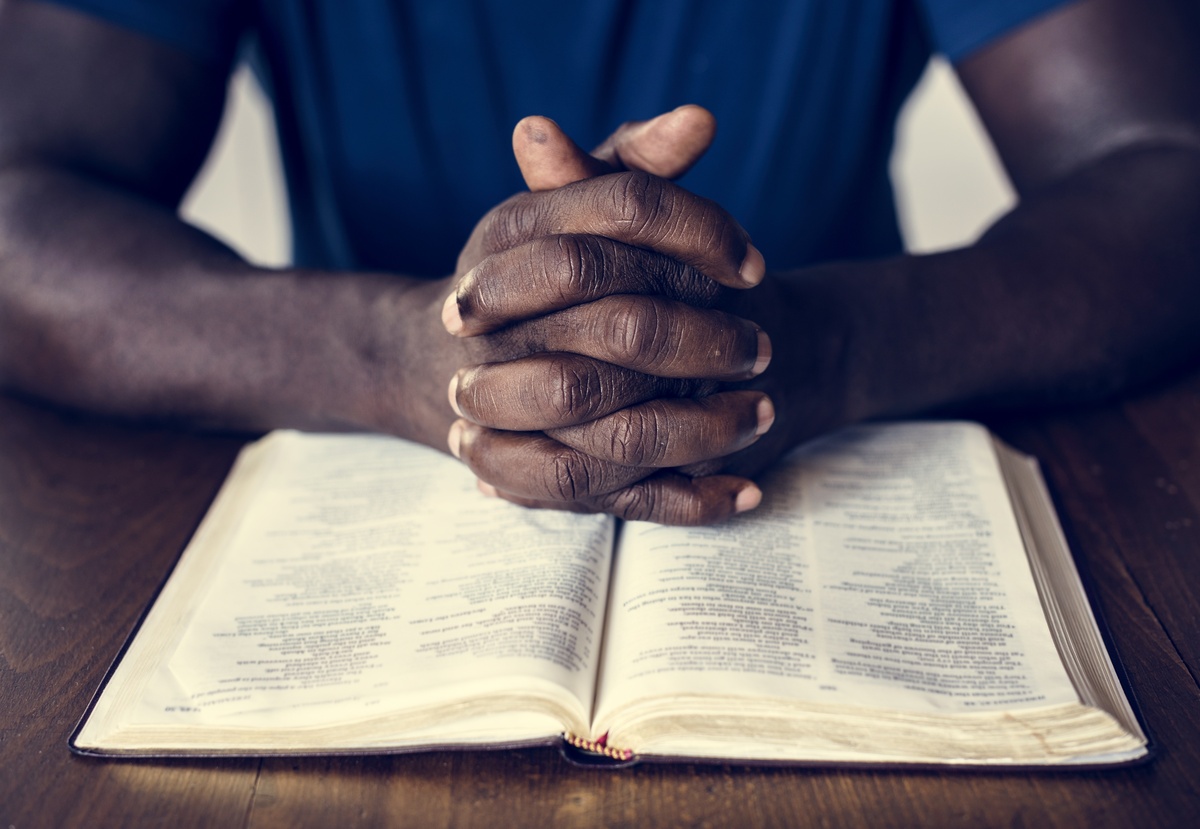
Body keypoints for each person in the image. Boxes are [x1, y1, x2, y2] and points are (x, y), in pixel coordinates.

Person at [0, 0, 1197, 525]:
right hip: (371, 502)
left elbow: (1168, 163)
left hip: (846, 471)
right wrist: (408, 352)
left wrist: (813, 349)